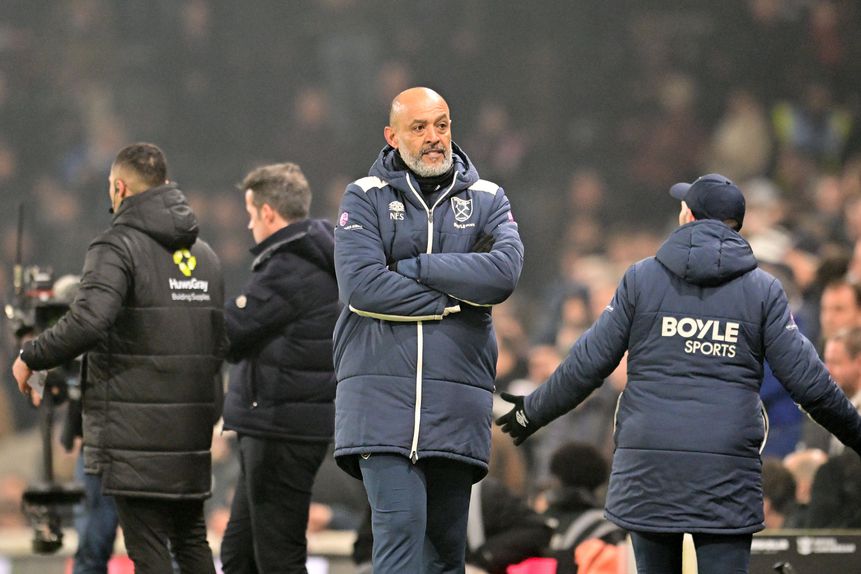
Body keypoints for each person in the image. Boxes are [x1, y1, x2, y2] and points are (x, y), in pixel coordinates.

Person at [496, 173, 861, 574]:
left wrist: (532, 411)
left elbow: (587, 363)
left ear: (688, 215)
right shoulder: (764, 291)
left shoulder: (641, 279)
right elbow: (811, 383)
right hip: (726, 471)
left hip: (649, 468)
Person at [332, 86, 524, 573]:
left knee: (445, 553)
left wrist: (414, 266)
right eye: (418, 128)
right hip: (380, 407)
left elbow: (503, 274)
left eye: (442, 125)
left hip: (456, 406)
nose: (434, 137)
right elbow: (363, 288)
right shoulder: (364, 196)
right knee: (399, 531)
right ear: (392, 136)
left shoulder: (488, 198)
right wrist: (457, 295)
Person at [12, 143, 225, 574]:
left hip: (135, 435)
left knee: (147, 549)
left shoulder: (116, 247)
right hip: (190, 432)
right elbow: (219, 342)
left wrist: (31, 355)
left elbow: (88, 322)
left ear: (119, 187)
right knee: (189, 541)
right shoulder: (206, 256)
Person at [220, 162, 339, 573]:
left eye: (251, 215)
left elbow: (232, 332)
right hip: (281, 425)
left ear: (268, 212)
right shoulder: (310, 259)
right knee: (239, 556)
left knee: (277, 558)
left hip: (279, 427)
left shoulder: (288, 267)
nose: (250, 226)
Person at [802, 326, 861, 453]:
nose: (826, 371)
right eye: (826, 362)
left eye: (835, 363)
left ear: (859, 363)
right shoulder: (823, 406)